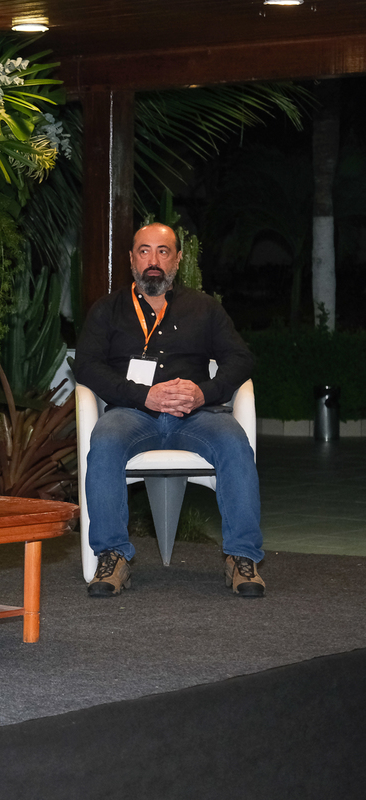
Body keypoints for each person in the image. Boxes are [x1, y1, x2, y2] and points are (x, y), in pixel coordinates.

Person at [74, 222, 265, 598]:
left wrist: (203, 392)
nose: (154, 261)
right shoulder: (108, 310)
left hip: (196, 417)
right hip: (132, 414)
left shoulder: (204, 308)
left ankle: (242, 557)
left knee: (234, 442)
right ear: (131, 259)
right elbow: (87, 366)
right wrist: (140, 395)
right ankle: (113, 555)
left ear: (177, 259)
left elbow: (241, 359)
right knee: (106, 439)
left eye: (163, 252)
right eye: (145, 251)